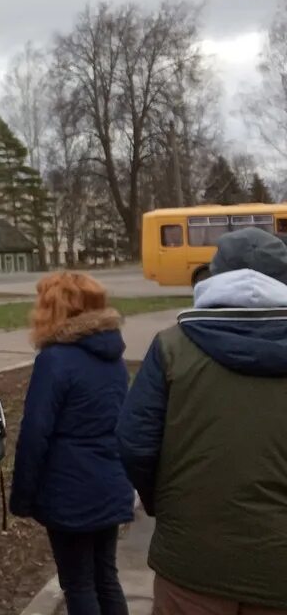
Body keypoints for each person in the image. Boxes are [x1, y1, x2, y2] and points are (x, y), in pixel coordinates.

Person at [118, 227, 287, 614]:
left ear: (214, 275)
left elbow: (134, 442)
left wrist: (168, 505)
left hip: (192, 562)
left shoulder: (171, 347)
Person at [8, 272, 133, 615]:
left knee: (78, 583)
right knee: (106, 575)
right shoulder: (113, 356)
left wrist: (22, 497)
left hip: (69, 488)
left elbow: (35, 433)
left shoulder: (55, 360)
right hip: (109, 480)